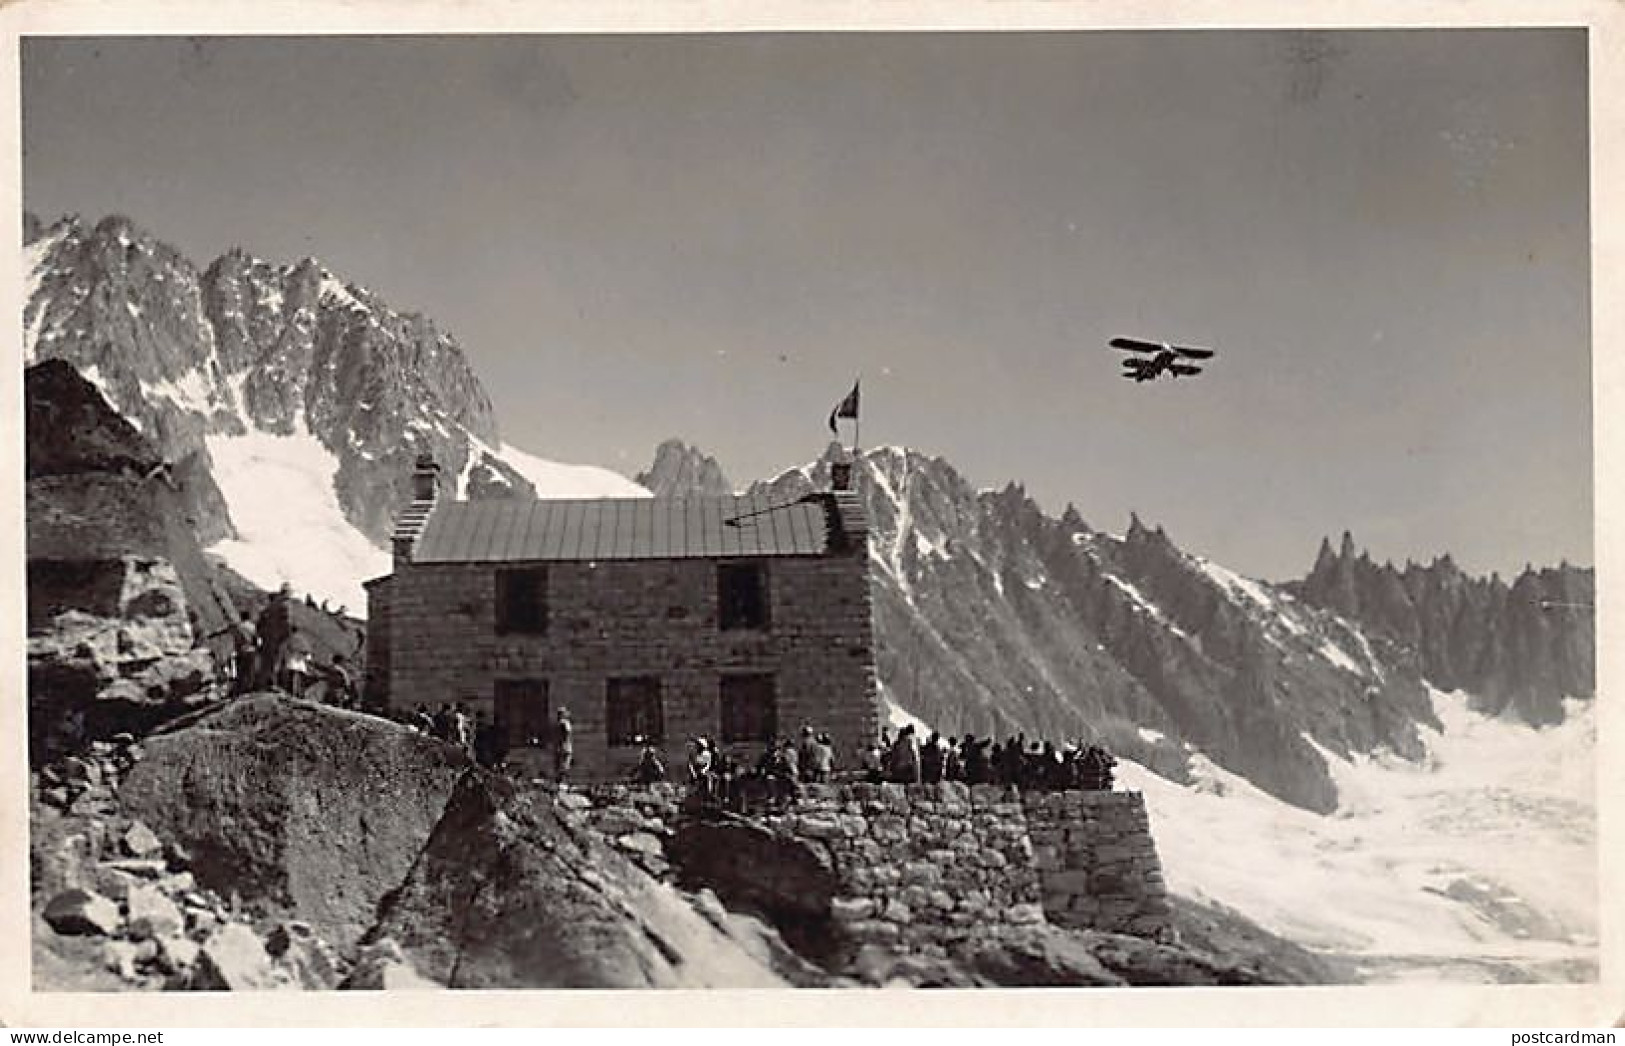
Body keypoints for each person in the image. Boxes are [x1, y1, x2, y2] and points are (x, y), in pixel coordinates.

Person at [255, 584, 294, 690]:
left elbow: (259, 624)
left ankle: (262, 683)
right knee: (275, 661)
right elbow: (286, 624)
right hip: (277, 639)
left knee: (266, 662)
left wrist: (261, 636)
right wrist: (287, 636)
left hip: (267, 639)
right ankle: (271, 683)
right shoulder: (284, 606)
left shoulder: (267, 609)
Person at [280, 627, 314, 697]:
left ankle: (294, 692)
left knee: (293, 676)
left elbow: (288, 648)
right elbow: (307, 650)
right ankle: (296, 692)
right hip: (298, 660)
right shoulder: (302, 640)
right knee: (296, 676)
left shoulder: (291, 639)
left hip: (295, 659)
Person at [553, 707, 574, 784]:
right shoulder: (564, 723)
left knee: (559, 765)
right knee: (565, 765)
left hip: (558, 747)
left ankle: (559, 781)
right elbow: (567, 733)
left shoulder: (557, 723)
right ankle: (562, 781)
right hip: (565, 747)